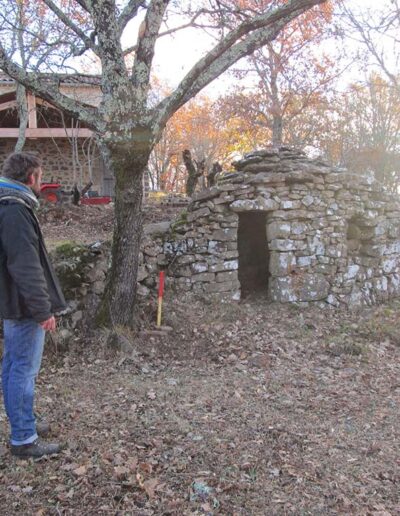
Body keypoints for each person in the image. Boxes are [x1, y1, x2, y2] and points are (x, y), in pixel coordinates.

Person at [0, 152, 67, 458]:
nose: (40, 181)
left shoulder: (11, 205)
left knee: (15, 366)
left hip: (14, 301)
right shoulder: (14, 210)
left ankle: (25, 422)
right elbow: (25, 265)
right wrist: (42, 310)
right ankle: (24, 439)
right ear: (31, 178)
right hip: (24, 305)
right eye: (39, 176)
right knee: (22, 370)